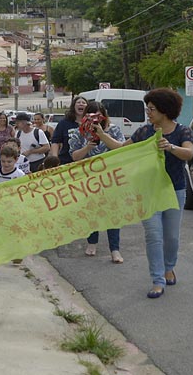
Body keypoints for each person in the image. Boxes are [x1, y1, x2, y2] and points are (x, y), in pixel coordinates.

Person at [96, 88, 193, 299]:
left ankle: (169, 267)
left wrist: (171, 147)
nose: (147, 112)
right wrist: (102, 135)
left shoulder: (182, 132)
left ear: (165, 110)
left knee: (171, 237)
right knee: (153, 236)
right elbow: (122, 148)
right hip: (148, 192)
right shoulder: (144, 132)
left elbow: (189, 152)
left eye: (151, 109)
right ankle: (158, 280)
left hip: (175, 190)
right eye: (147, 108)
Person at [69, 102, 125, 264]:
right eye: (91, 117)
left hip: (110, 177)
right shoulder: (79, 133)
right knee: (91, 211)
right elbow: (75, 156)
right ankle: (92, 243)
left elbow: (120, 148)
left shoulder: (113, 130)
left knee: (113, 213)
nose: (95, 121)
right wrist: (87, 147)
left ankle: (115, 249)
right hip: (89, 179)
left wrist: (102, 135)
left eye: (98, 117)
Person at [0, 143, 26, 265]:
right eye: (3, 161)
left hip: (14, 207)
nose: (6, 164)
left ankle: (17, 253)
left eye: (9, 162)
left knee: (15, 230)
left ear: (16, 160)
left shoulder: (19, 175)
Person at [50, 96, 88, 165]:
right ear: (73, 106)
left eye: (83, 103)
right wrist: (55, 158)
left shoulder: (91, 123)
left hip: (87, 162)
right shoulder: (64, 123)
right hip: (67, 161)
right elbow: (55, 141)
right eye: (78, 102)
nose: (81, 104)